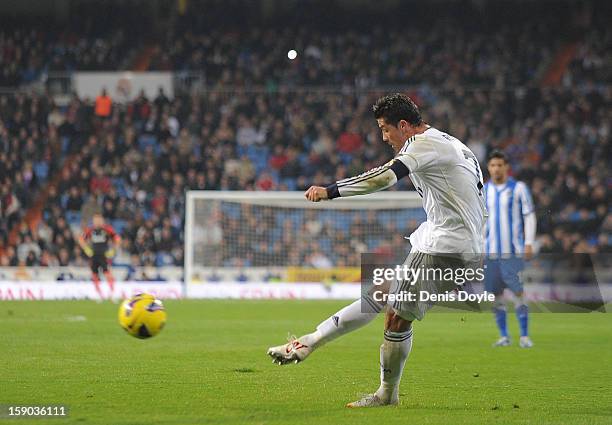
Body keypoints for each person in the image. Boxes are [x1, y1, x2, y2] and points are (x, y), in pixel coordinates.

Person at [267, 93, 487, 407]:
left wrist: (331, 191)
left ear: (403, 125)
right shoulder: (448, 142)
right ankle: (308, 343)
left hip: (447, 244)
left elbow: (384, 177)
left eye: (386, 129)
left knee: (396, 318)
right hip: (451, 240)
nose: (384, 137)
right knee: (381, 293)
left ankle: (386, 395)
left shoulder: (422, 145)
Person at [483, 150, 536, 348]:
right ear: (489, 168)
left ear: (506, 167)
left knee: (518, 293)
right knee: (496, 296)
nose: (496, 168)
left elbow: (529, 215)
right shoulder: (484, 191)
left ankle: (524, 336)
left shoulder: (519, 188)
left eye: (500, 165)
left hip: (512, 252)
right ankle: (504, 336)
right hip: (490, 253)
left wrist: (529, 242)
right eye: (493, 165)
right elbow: (481, 222)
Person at [78, 213, 121, 300]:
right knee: (94, 273)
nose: (97, 222)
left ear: (102, 220)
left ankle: (112, 291)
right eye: (95, 220)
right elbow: (81, 239)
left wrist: (113, 250)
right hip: (94, 255)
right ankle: (98, 293)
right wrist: (86, 249)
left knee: (107, 272)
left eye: (99, 220)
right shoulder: (90, 230)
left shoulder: (107, 229)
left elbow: (117, 239)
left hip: (104, 255)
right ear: (93, 221)